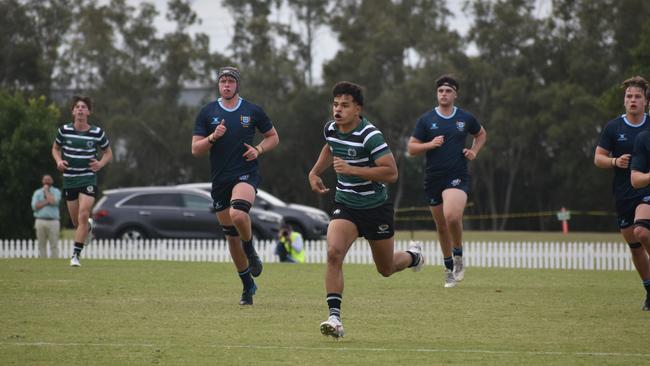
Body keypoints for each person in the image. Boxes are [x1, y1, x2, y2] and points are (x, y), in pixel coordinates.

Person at [309, 81, 424, 339]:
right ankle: (334, 319)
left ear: (358, 109)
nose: (338, 110)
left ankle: (413, 256)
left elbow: (391, 173)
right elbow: (330, 146)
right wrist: (315, 172)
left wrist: (352, 170)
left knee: (385, 269)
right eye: (335, 104)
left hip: (375, 208)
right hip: (346, 204)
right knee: (333, 253)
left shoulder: (371, 135)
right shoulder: (331, 129)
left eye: (345, 105)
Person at [192, 66, 279, 306]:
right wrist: (212, 137)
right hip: (220, 180)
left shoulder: (252, 110)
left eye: (231, 81)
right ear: (218, 85)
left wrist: (258, 149)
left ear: (237, 85)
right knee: (231, 237)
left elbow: (273, 137)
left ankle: (250, 251)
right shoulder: (207, 112)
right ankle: (247, 287)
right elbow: (195, 149)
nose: (227, 85)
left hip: (245, 174)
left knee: (238, 214)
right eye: (223, 81)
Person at [406, 75, 487, 288]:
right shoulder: (426, 120)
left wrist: (474, 151)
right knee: (441, 226)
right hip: (433, 178)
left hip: (457, 175)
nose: (444, 94)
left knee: (452, 217)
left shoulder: (465, 118)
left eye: (448, 91)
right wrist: (429, 144)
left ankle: (458, 255)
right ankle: (449, 268)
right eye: (441, 91)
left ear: (455, 94)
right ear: (437, 94)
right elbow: (411, 148)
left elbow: (480, 134)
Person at [596, 75, 650, 311]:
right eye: (629, 96)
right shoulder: (613, 127)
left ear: (646, 101)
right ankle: (649, 290)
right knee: (635, 245)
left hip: (646, 189)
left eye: (638, 96)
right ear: (624, 101)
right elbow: (598, 158)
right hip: (624, 192)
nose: (633, 100)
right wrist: (615, 161)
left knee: (643, 231)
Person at [52, 95, 112, 267]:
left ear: (88, 112)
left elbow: (108, 153)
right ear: (72, 111)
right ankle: (89, 229)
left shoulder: (97, 132)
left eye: (83, 107)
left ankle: (75, 256)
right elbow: (55, 148)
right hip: (70, 179)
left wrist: (100, 163)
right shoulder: (64, 130)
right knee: (77, 223)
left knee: (84, 214)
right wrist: (58, 161)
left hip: (88, 178)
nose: (80, 109)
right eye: (77, 107)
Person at [31, 174, 62, 258]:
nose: (47, 181)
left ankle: (55, 262)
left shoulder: (56, 191)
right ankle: (42, 261)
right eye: (45, 180)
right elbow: (35, 206)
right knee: (41, 243)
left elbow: (54, 202)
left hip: (53, 221)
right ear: (42, 181)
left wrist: (46, 192)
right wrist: (47, 201)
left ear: (52, 181)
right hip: (40, 220)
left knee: (54, 244)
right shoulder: (37, 192)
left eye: (49, 179)